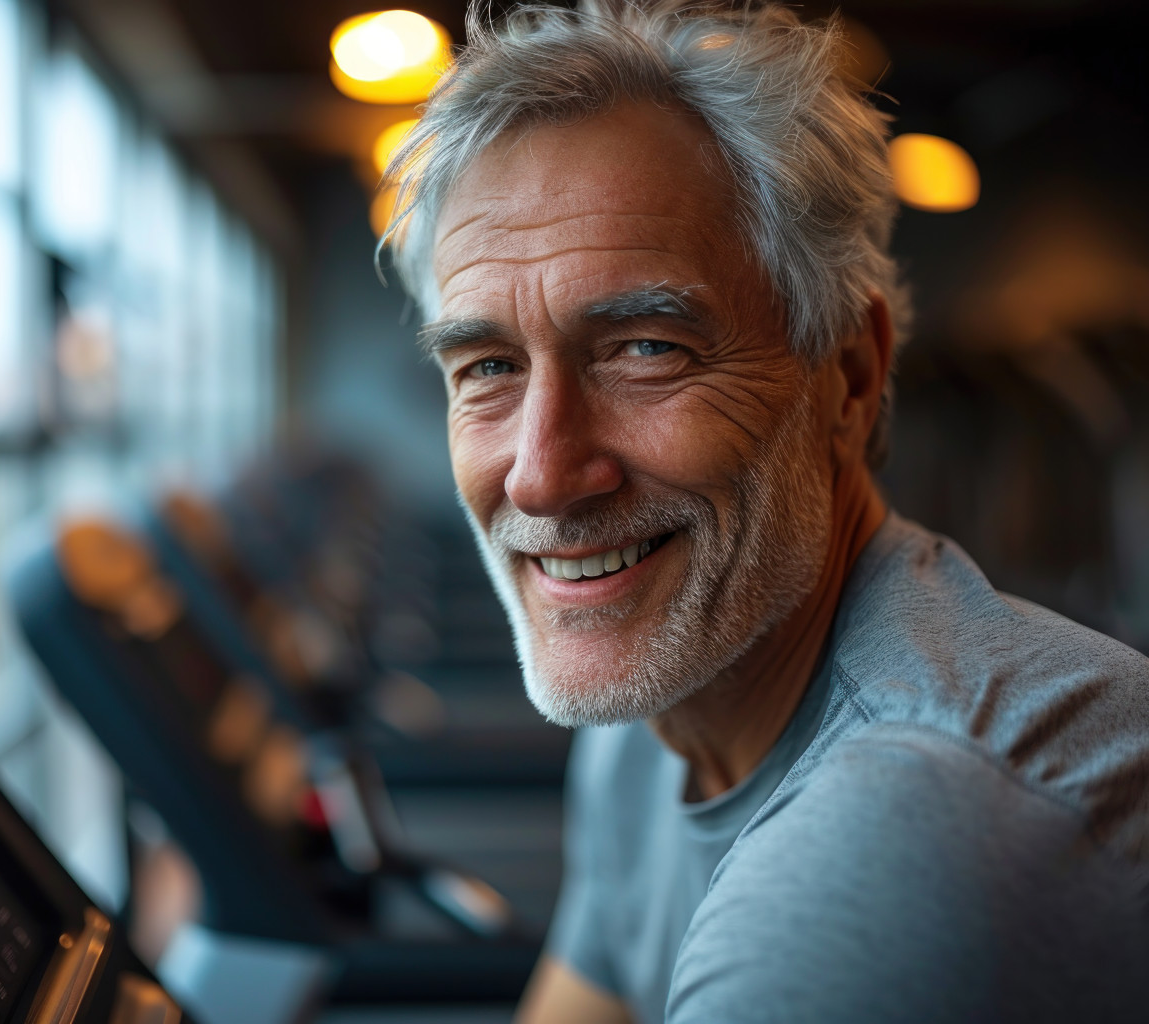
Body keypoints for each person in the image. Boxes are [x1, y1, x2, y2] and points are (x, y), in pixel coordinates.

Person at [380, 2, 1149, 1021]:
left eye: (645, 348)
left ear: (848, 373)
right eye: (486, 367)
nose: (539, 474)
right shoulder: (656, 716)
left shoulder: (897, 845)